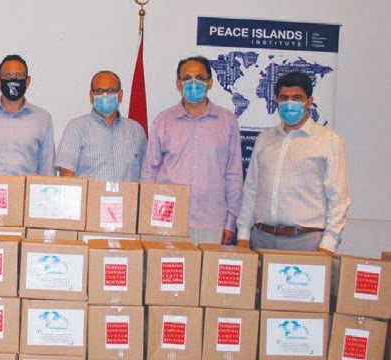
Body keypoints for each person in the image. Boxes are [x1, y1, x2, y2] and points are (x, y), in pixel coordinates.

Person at [236, 71, 350, 254]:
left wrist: (328, 245)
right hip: (262, 238)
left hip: (306, 242)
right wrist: (243, 236)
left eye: (297, 97)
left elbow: (338, 198)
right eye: (284, 97)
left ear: (309, 101)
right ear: (276, 101)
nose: (290, 103)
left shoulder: (328, 140)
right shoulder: (264, 139)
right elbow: (251, 190)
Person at [141, 56, 243, 245]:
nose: (193, 83)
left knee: (208, 275)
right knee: (167, 275)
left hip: (212, 222)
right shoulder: (163, 121)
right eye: (187, 78)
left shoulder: (227, 121)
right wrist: (148, 218)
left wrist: (230, 222)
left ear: (210, 83)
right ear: (178, 83)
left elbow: (234, 174)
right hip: (167, 221)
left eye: (200, 78)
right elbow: (150, 172)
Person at [56, 70, 146, 182]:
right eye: (99, 91)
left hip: (128, 199)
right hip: (89, 199)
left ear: (120, 95)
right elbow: (66, 176)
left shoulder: (136, 131)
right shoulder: (76, 128)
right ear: (91, 95)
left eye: (111, 90)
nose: (105, 95)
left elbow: (146, 175)